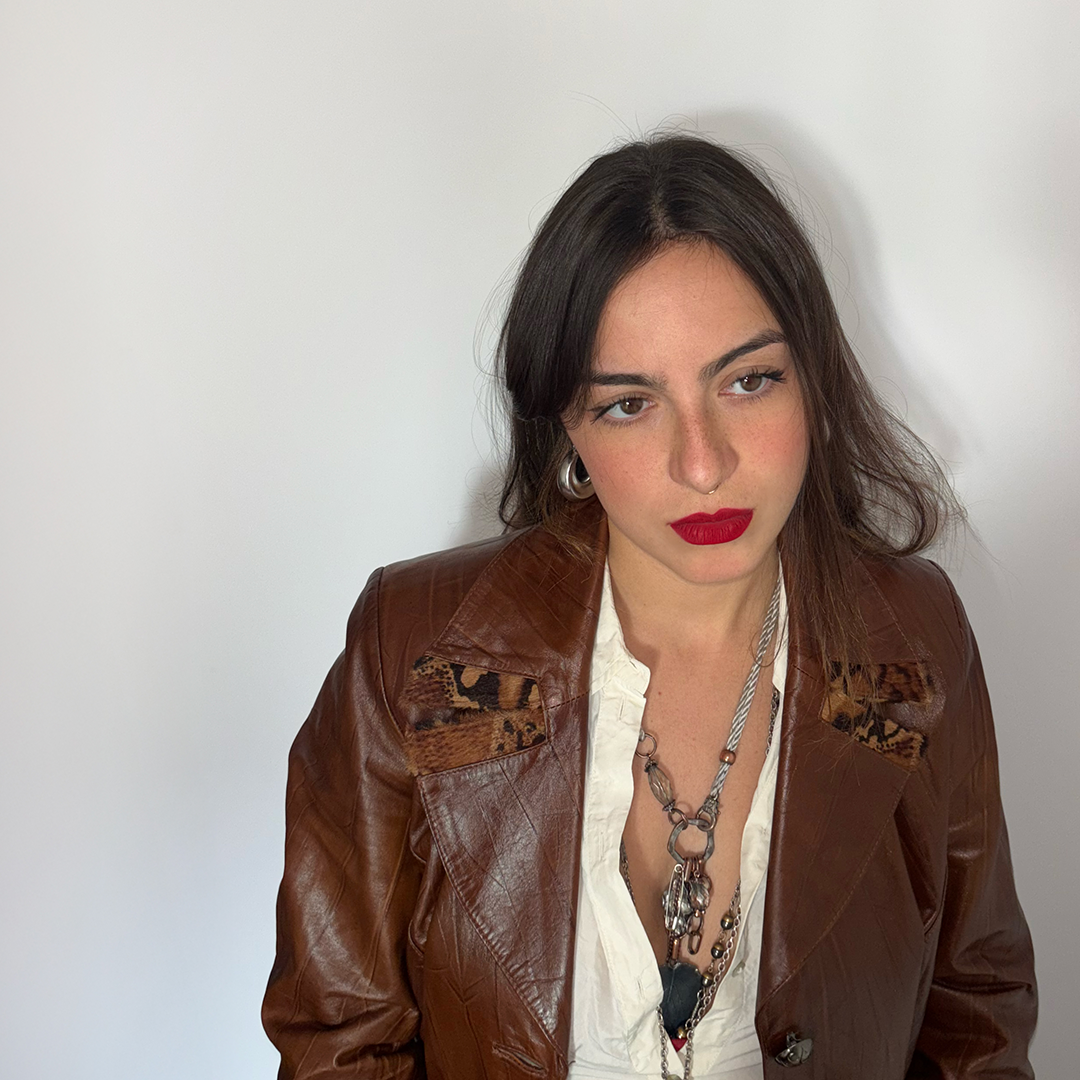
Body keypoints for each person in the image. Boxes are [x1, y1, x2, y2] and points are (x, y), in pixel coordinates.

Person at [262, 135, 1036, 1079]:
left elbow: (976, 1014)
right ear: (569, 431)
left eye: (748, 380)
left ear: (814, 382)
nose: (702, 464)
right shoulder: (415, 652)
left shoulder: (913, 640)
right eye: (630, 403)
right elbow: (339, 1042)